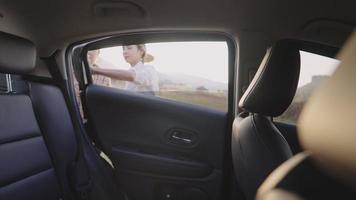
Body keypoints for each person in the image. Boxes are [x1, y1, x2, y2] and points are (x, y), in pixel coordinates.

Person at [90, 44, 159, 95]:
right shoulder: (130, 71)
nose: (124, 52)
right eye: (123, 49)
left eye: (129, 48)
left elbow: (131, 76)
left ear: (141, 51)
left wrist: (95, 70)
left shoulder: (149, 69)